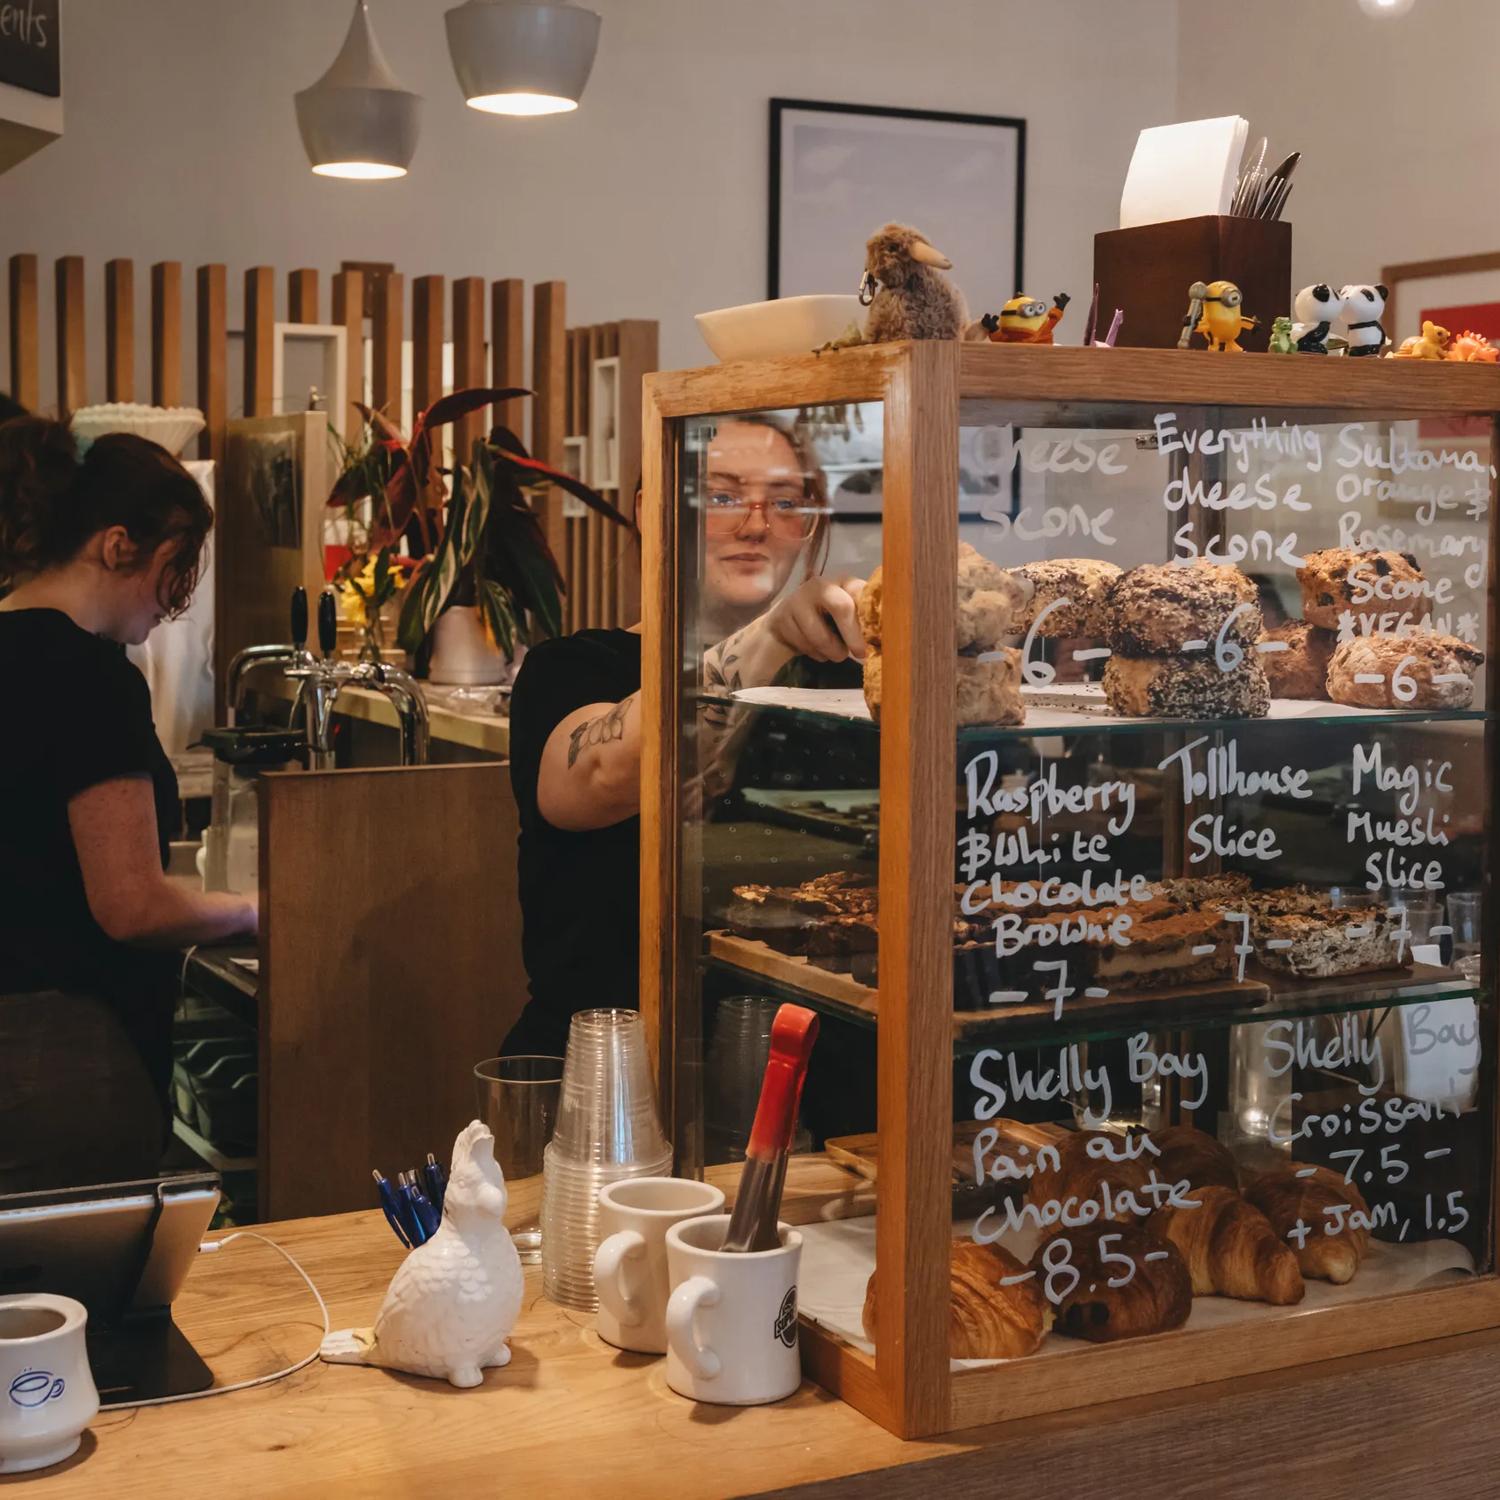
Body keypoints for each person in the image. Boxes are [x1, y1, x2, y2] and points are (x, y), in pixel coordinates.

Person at [504, 414, 865, 1057]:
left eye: (785, 502)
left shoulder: (844, 688)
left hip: (817, 1078)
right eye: (722, 497)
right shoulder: (573, 669)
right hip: (611, 1076)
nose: (756, 525)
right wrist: (769, 638)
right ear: (655, 511)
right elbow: (592, 779)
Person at [0, 415, 258, 1191]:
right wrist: (250, 910)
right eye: (174, 572)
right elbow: (132, 906)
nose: (170, 606)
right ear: (117, 546)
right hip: (60, 1060)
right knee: (87, 1307)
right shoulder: (90, 678)